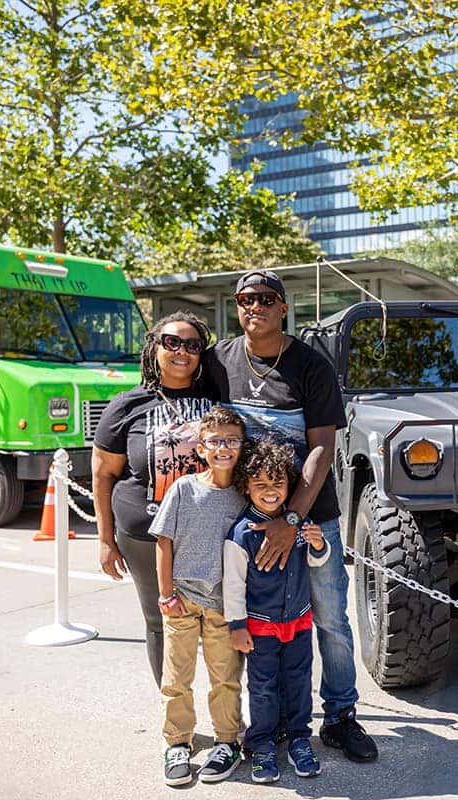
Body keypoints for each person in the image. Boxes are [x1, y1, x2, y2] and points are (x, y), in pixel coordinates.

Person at [202, 269, 379, 763]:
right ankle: (266, 722)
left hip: (309, 517)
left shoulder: (310, 365)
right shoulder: (220, 361)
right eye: (244, 298)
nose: (253, 306)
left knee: (328, 621)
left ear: (283, 307)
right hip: (245, 521)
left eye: (264, 298)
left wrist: (293, 521)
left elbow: (322, 448)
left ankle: (341, 716)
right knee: (249, 622)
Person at [92, 311, 216, 687]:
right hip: (144, 533)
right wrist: (104, 540)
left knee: (221, 622)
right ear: (154, 349)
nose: (182, 351)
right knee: (160, 620)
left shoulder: (217, 399)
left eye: (192, 345)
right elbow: (103, 474)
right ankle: (176, 715)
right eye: (172, 342)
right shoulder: (126, 406)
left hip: (210, 532)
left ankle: (229, 714)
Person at [152, 406, 249, 786]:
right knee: (176, 678)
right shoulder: (184, 488)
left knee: (225, 679)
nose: (223, 448)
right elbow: (163, 541)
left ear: (241, 446)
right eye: (215, 441)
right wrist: (165, 595)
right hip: (182, 601)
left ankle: (227, 742)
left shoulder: (245, 496)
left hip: (223, 606)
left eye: (231, 440)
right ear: (201, 447)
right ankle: (177, 742)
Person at [224, 439, 330, 783]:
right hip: (261, 628)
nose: (271, 492)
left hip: (299, 621)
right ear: (247, 487)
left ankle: (300, 739)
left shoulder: (299, 521)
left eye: (278, 484)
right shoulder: (240, 534)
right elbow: (234, 585)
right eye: (261, 485)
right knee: (264, 687)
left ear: (290, 484)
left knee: (299, 683)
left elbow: (317, 561)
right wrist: (237, 625)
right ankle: (263, 744)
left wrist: (318, 543)